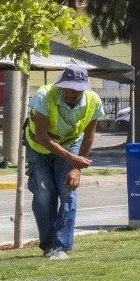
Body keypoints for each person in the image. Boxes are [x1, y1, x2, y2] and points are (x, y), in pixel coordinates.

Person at [24, 64, 104, 260]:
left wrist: (76, 168)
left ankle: (61, 247)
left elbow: (89, 136)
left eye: (75, 91)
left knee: (68, 192)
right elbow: (41, 137)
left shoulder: (93, 101)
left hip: (70, 145)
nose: (70, 93)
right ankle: (48, 244)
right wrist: (73, 159)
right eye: (67, 88)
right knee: (44, 192)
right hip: (38, 147)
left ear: (84, 89)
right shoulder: (44, 96)